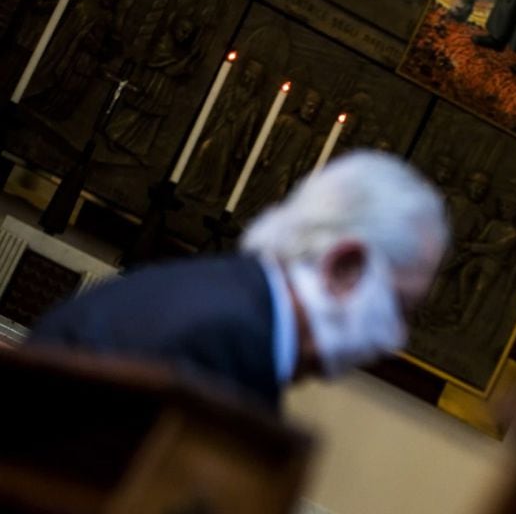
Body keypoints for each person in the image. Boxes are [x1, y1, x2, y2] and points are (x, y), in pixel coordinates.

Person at [28, 150, 448, 413]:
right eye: (398, 304)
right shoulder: (225, 344)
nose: (395, 338)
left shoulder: (226, 299)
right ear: (343, 266)